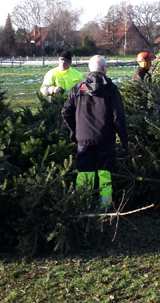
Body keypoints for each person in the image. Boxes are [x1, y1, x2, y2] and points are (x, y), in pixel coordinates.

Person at [61, 55, 129, 211]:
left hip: (83, 139)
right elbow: (118, 117)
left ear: (89, 69)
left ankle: (83, 205)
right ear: (104, 68)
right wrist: (125, 141)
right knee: (105, 173)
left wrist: (75, 131)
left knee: (85, 173)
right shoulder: (111, 89)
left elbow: (65, 112)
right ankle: (105, 207)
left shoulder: (78, 88)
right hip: (106, 139)